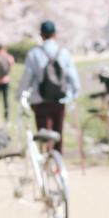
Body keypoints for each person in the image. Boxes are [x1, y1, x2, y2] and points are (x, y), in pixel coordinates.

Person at [17, 20, 80, 153]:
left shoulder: (34, 53)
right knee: (58, 134)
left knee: (44, 136)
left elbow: (27, 78)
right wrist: (73, 95)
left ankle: (45, 159)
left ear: (41, 35)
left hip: (40, 101)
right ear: (55, 34)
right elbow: (73, 78)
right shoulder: (64, 53)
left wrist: (20, 95)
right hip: (60, 100)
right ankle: (57, 161)